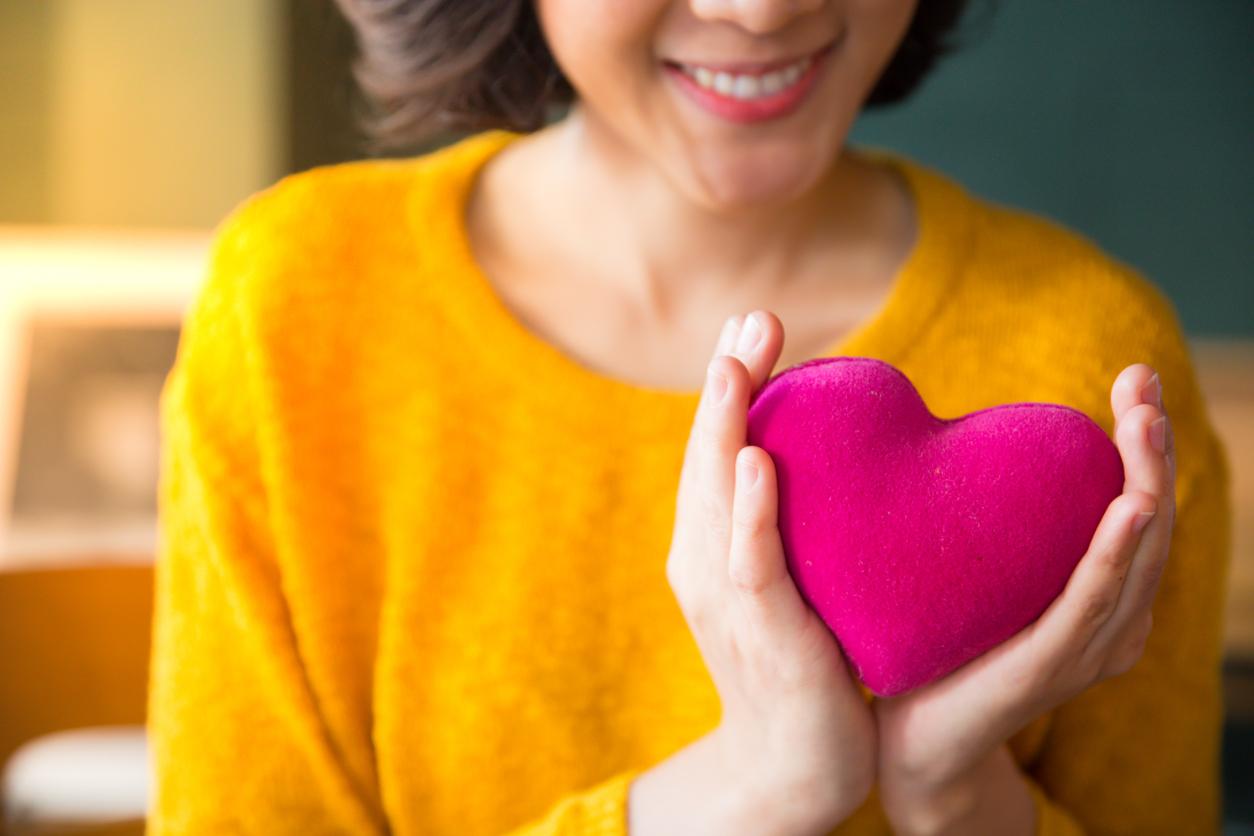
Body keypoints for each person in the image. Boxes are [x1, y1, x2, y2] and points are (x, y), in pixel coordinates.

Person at [146, 0, 1233, 833]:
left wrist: (957, 792)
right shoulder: (296, 310)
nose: (762, 8)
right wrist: (756, 784)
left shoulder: (1096, 352)